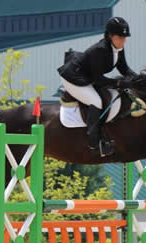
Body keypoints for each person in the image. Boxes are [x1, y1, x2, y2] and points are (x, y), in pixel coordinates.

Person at [57, 17, 137, 156]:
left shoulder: (118, 48)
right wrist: (118, 83)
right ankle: (94, 143)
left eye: (125, 38)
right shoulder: (99, 50)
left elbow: (124, 69)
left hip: (88, 78)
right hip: (74, 78)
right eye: (120, 37)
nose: (123, 41)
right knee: (96, 101)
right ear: (110, 36)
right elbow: (98, 79)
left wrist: (138, 78)